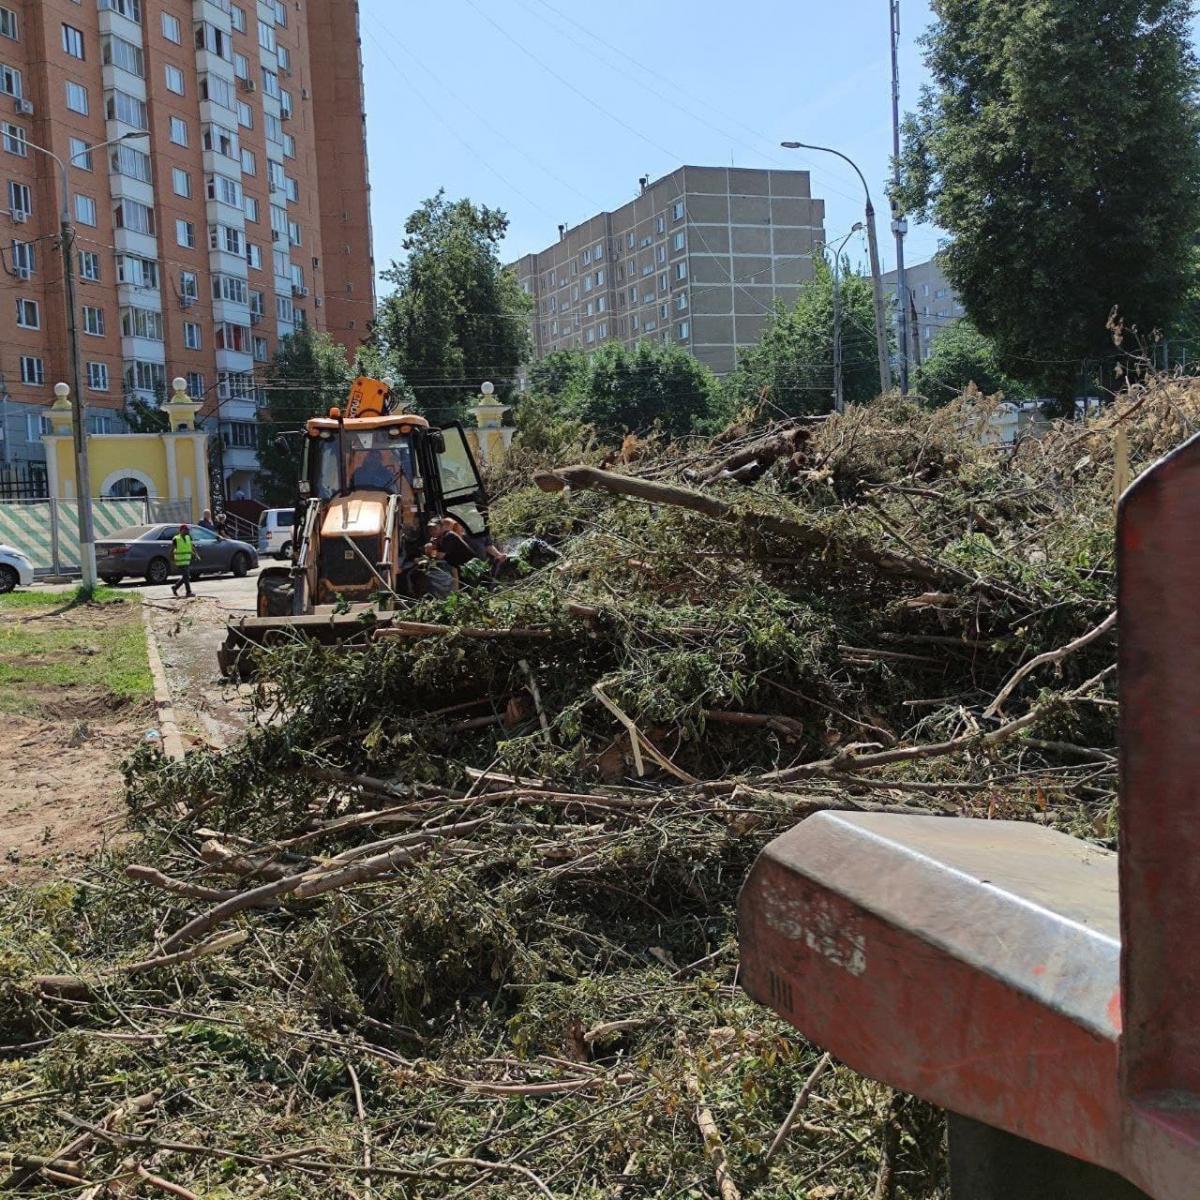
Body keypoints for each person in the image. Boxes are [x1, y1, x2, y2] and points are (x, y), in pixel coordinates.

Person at [171, 524, 199, 598]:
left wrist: (196, 554)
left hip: (186, 560)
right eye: (186, 530)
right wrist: (172, 560)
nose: (187, 531)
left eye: (188, 530)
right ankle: (188, 592)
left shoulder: (188, 537)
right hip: (180, 561)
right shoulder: (176, 539)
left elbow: (191, 546)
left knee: (186, 576)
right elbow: (171, 550)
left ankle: (175, 587)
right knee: (186, 576)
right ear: (181, 530)